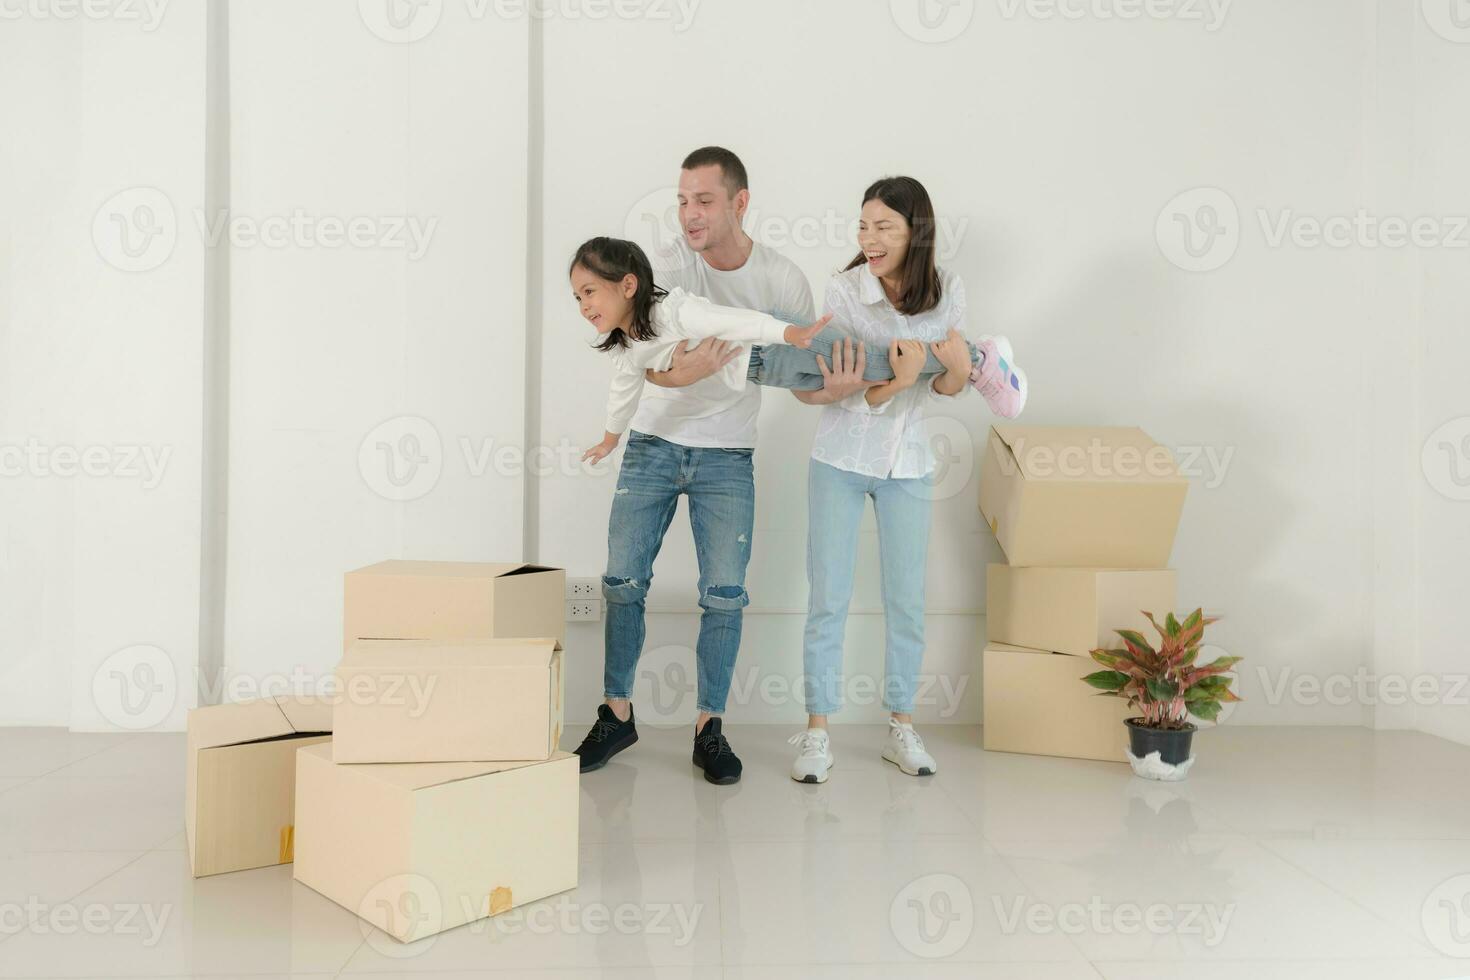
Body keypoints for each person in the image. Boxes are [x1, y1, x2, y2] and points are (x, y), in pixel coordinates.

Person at [573, 147, 829, 785]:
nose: (688, 213)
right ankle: (616, 713)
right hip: (652, 445)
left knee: (724, 597)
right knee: (622, 583)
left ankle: (709, 727)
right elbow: (640, 353)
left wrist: (837, 383)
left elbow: (795, 373)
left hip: (727, 454)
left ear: (740, 202)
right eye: (682, 199)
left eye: (704, 201)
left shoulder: (782, 278)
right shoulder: (661, 261)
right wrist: (676, 374)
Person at [788, 176, 1029, 784]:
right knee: (828, 599)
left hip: (910, 462)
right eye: (863, 225)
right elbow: (849, 386)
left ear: (914, 233)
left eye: (883, 228)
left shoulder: (947, 292)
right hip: (841, 456)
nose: (868, 238)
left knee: (907, 602)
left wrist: (948, 371)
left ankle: (901, 727)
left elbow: (945, 389)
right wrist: (899, 379)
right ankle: (817, 734)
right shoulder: (842, 289)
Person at [568, 238, 831, 465]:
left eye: (589, 292)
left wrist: (790, 333)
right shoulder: (626, 349)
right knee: (836, 377)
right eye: (578, 297)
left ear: (628, 286)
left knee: (863, 359)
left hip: (770, 342)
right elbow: (622, 396)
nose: (584, 307)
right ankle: (872, 383)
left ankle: (873, 379)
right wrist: (609, 441)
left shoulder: (673, 312)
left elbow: (733, 321)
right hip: (761, 372)